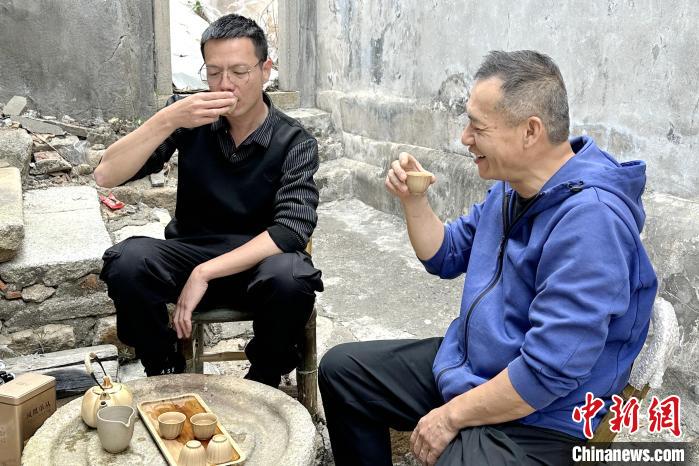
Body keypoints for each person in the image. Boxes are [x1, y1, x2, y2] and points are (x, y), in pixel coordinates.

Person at [318, 50, 657, 466]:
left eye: (477, 127)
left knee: (457, 459)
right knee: (344, 372)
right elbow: (445, 254)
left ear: (530, 131)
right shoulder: (513, 189)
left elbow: (547, 372)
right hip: (478, 369)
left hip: (546, 416)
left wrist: (449, 417)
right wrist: (413, 200)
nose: (465, 138)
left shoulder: (592, 222)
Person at [95, 14, 323, 386]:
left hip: (258, 265)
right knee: (127, 261)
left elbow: (290, 231)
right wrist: (167, 118)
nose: (225, 84)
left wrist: (206, 272)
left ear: (265, 70)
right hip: (191, 251)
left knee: (293, 276)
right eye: (214, 72)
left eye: (239, 71)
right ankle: (164, 369)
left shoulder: (294, 141)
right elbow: (106, 175)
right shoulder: (190, 118)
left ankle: (263, 378)